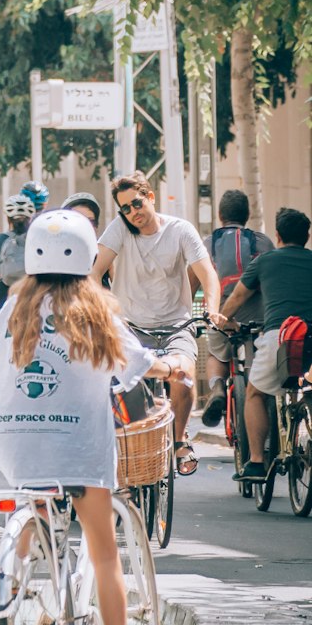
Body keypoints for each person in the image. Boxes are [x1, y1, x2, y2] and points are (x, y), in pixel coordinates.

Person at [0, 210, 190, 625]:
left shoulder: (16, 309)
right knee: (103, 551)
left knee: (34, 494)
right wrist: (174, 366)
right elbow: (135, 363)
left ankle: (22, 566)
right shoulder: (95, 312)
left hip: (14, 439)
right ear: (88, 256)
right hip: (78, 443)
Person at [92, 171, 221, 477]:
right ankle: (133, 446)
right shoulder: (119, 231)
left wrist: (212, 310)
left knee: (184, 374)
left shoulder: (180, 230)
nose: (133, 212)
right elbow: (93, 273)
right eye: (125, 208)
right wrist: (102, 312)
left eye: (136, 203)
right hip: (132, 328)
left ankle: (178, 440)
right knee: (123, 382)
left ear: (150, 197)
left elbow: (208, 275)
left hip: (176, 325)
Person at [218, 207, 312, 482]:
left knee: (255, 393)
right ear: (307, 236)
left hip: (280, 336)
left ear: (278, 235)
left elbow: (236, 298)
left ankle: (257, 462)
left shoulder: (265, 261)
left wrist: (224, 321)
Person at [200, 189, 274, 428]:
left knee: (216, 353)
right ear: (247, 214)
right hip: (258, 317)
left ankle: (218, 389)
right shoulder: (262, 241)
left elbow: (194, 279)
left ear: (220, 215)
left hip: (221, 316)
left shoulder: (208, 243)